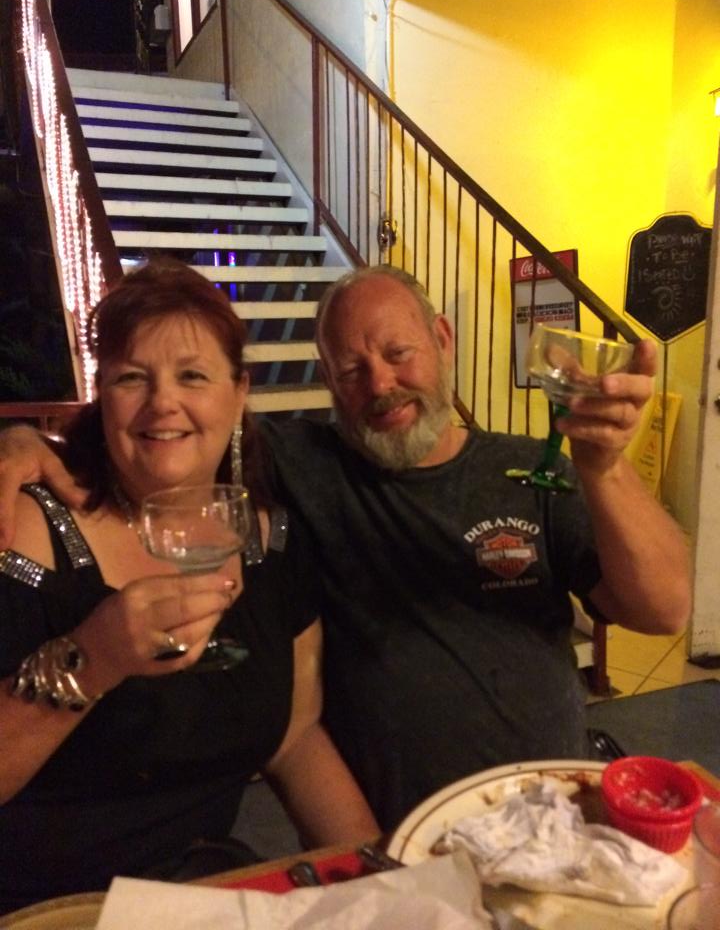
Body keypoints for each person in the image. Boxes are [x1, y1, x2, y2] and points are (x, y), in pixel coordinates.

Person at [0, 265, 691, 834]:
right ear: (329, 381)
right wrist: (32, 442)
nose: (380, 384)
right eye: (352, 369)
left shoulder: (529, 472)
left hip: (559, 812)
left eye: (398, 353)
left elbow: (664, 611)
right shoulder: (303, 469)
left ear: (442, 339)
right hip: (413, 831)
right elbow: (171, 444)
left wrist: (605, 467)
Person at [0, 261, 379, 915]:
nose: (162, 403)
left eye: (193, 376)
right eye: (131, 378)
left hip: (199, 892)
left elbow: (295, 735)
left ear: (238, 393)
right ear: (101, 394)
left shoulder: (272, 537)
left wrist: (379, 875)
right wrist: (94, 658)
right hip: (47, 905)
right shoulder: (27, 529)